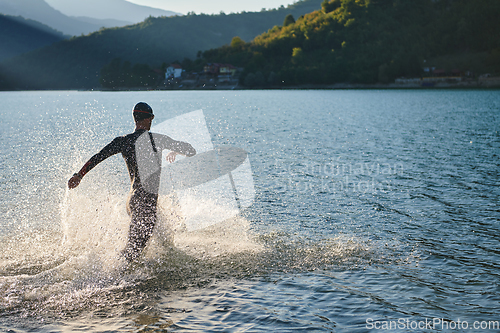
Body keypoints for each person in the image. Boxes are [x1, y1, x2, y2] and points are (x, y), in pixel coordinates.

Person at [68, 102, 196, 262]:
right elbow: (191, 150)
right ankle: (112, 277)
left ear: (135, 118)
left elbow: (97, 157)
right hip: (146, 202)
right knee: (132, 254)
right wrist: (175, 150)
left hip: (132, 201)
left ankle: (123, 268)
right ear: (149, 118)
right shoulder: (159, 140)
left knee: (146, 242)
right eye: (152, 118)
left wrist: (79, 175)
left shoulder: (123, 141)